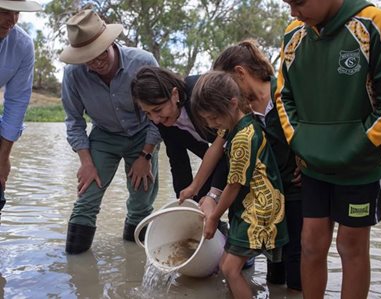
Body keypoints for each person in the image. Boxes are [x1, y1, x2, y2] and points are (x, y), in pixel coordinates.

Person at [276, 0, 381, 298]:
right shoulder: (294, 34)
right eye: (288, 4)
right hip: (313, 164)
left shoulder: (373, 23)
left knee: (351, 246)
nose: (293, 12)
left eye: (299, 3)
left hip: (361, 166)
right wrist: (300, 141)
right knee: (310, 243)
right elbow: (282, 96)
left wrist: (358, 143)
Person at [59, 9, 161, 254]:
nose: (96, 62)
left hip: (142, 135)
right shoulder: (73, 75)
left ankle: (134, 261)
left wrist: (146, 155)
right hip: (103, 136)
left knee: (141, 200)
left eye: (100, 52)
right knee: (86, 197)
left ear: (111, 42)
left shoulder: (143, 62)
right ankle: (75, 271)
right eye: (87, 57)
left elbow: (160, 113)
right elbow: (74, 121)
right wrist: (86, 162)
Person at [212, 39, 303, 291]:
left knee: (297, 255)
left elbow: (309, 127)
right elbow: (223, 151)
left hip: (295, 190)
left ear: (240, 73)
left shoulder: (285, 92)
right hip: (266, 199)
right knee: (275, 269)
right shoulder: (241, 112)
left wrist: (306, 161)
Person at [191, 71, 288, 299]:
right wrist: (194, 187)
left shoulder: (245, 137)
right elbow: (214, 149)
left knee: (230, 268)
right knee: (226, 263)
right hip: (248, 205)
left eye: (214, 118)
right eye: (206, 119)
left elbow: (233, 185)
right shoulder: (234, 122)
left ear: (233, 103)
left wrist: (213, 217)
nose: (211, 124)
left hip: (260, 209)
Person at [131, 66, 228, 206]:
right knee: (197, 204)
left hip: (246, 147)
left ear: (175, 94)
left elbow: (228, 147)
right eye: (147, 113)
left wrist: (213, 195)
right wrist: (183, 202)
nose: (155, 120)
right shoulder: (162, 120)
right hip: (217, 156)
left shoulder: (201, 93)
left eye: (158, 110)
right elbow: (178, 162)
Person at [0, 0, 42, 218]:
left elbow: (16, 102)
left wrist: (3, 157)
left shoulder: (22, 44)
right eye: (4, 12)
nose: (12, 20)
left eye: (16, 13)